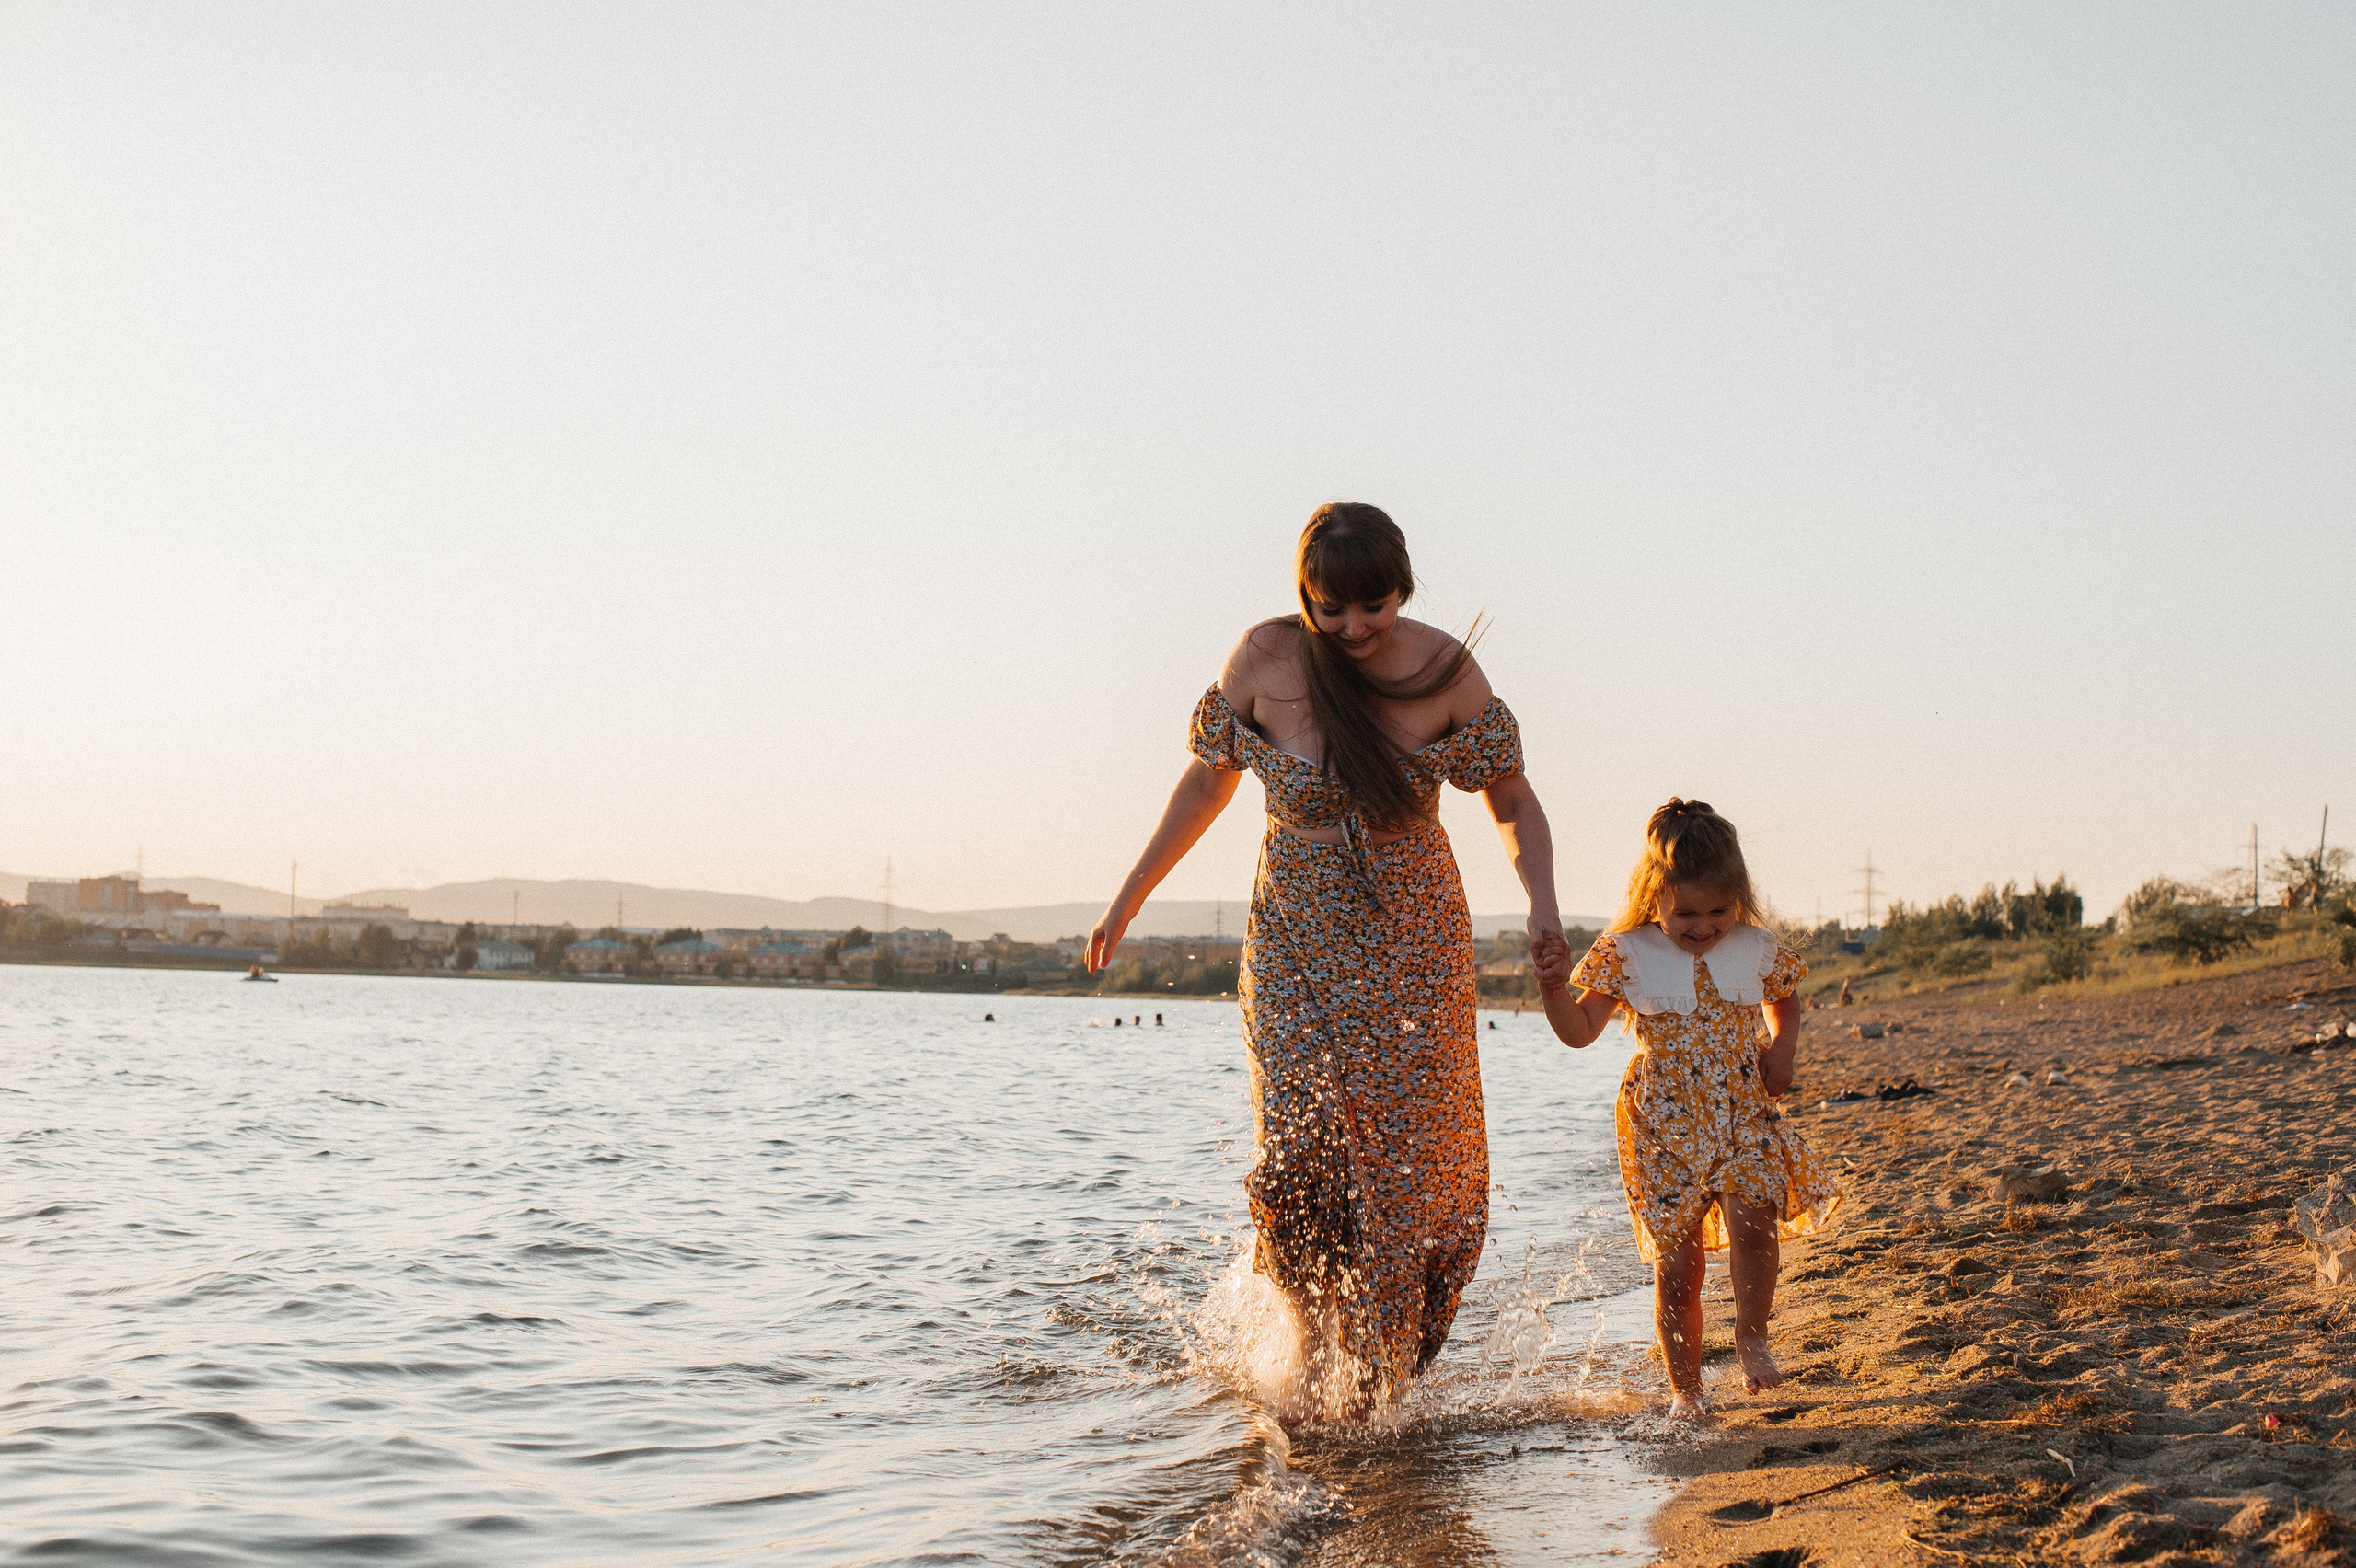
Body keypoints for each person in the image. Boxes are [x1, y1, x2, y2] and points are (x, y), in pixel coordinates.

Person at [1088, 502, 1565, 1423]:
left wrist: (1542, 902)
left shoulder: (1441, 670)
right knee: (1301, 1144)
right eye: (1329, 610)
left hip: (1409, 934)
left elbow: (1509, 797)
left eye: (1372, 609)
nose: (1351, 630)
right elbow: (1206, 782)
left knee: (1404, 1155)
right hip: (1295, 934)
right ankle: (1310, 1354)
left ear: (1404, 590)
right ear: (1302, 595)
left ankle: (1382, 1368)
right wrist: (1128, 898)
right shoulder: (1264, 658)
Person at [1533, 800, 1840, 1421]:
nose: (1705, 927)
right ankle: (1687, 1389)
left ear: (1739, 900)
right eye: (1687, 914)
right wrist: (1551, 988)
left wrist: (1781, 1051)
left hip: (1740, 1108)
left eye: (1719, 911)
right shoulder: (1628, 953)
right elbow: (1579, 1030)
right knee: (1678, 1265)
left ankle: (1751, 1337)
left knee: (1754, 1220)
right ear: (1655, 900)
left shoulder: (1754, 947)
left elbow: (1786, 1001)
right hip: (1663, 1124)